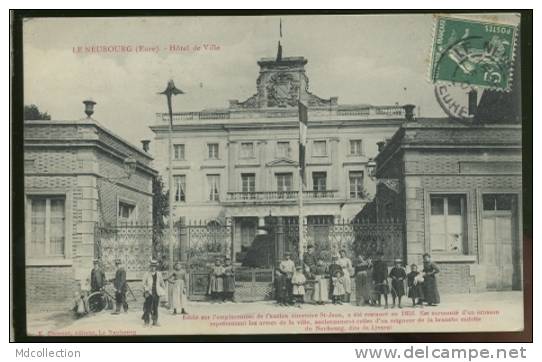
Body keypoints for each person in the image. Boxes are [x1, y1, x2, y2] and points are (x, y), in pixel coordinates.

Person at [142, 260, 166, 326]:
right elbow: (143, 284)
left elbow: (162, 283)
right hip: (149, 293)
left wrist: (163, 290)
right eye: (152, 266)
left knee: (155, 307)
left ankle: (155, 321)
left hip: (156, 292)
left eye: (154, 266)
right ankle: (146, 322)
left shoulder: (159, 274)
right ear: (150, 267)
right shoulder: (147, 274)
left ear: (156, 267)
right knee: (148, 307)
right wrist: (146, 289)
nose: (153, 268)